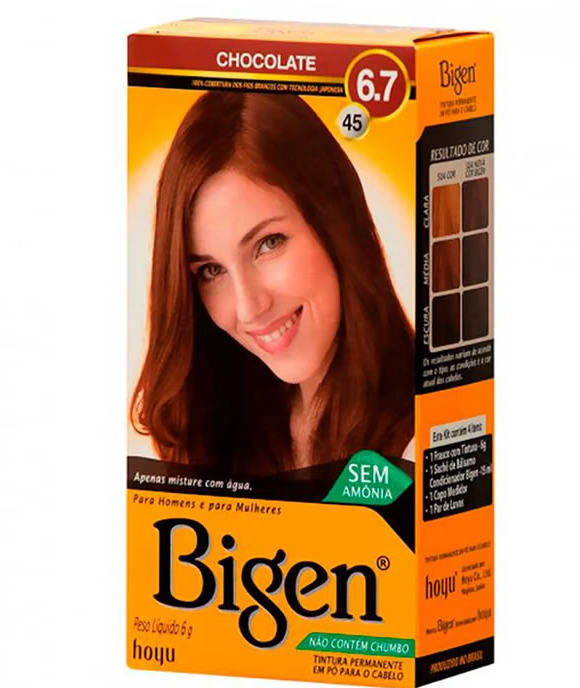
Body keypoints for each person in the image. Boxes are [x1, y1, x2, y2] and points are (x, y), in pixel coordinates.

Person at [131, 91, 415, 474]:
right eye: (212, 270)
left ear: (334, 224)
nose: (249, 308)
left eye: (268, 244)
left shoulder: (424, 442)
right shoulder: (227, 434)